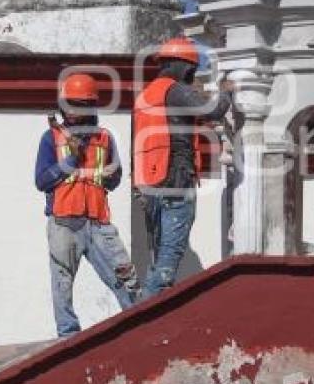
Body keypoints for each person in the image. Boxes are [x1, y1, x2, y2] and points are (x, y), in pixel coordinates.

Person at [34, 73, 138, 337]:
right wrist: (70, 160)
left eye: (79, 105)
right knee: (62, 285)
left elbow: (114, 178)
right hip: (64, 223)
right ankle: (68, 336)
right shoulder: (52, 138)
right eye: (69, 105)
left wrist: (108, 176)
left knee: (126, 279)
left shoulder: (104, 138)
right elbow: (41, 180)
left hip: (98, 222)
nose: (72, 112)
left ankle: (139, 326)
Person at [133, 37, 232, 297]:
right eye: (191, 71)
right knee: (168, 257)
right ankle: (144, 319)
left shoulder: (146, 96)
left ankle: (148, 310)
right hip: (176, 181)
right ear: (186, 67)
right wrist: (227, 92)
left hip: (150, 185)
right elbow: (212, 110)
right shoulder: (174, 90)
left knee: (157, 256)